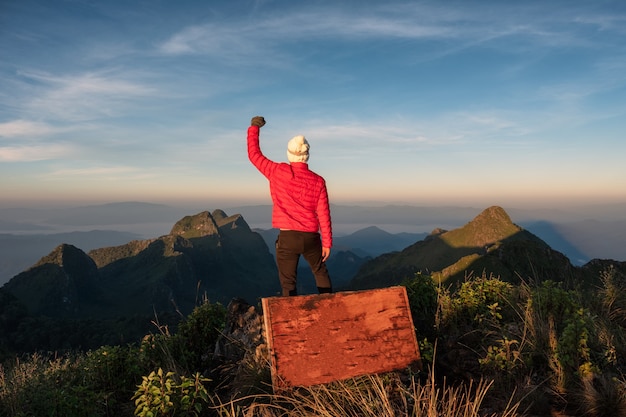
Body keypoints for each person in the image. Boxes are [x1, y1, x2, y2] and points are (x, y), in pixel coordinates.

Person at [247, 115, 333, 296]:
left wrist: (254, 128)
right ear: (307, 155)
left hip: (287, 237)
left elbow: (254, 155)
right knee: (320, 272)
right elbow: (323, 213)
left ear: (289, 153)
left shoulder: (277, 171)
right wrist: (327, 242)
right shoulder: (318, 181)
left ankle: (289, 319)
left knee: (288, 283)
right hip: (311, 238)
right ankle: (329, 308)